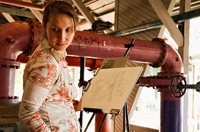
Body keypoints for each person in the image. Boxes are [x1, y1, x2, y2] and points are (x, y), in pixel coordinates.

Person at [18, 1, 79, 132]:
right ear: (45, 27)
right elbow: (27, 114)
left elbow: (49, 98)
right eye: (55, 29)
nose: (62, 38)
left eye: (68, 30)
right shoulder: (48, 64)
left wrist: (64, 102)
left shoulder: (57, 56)